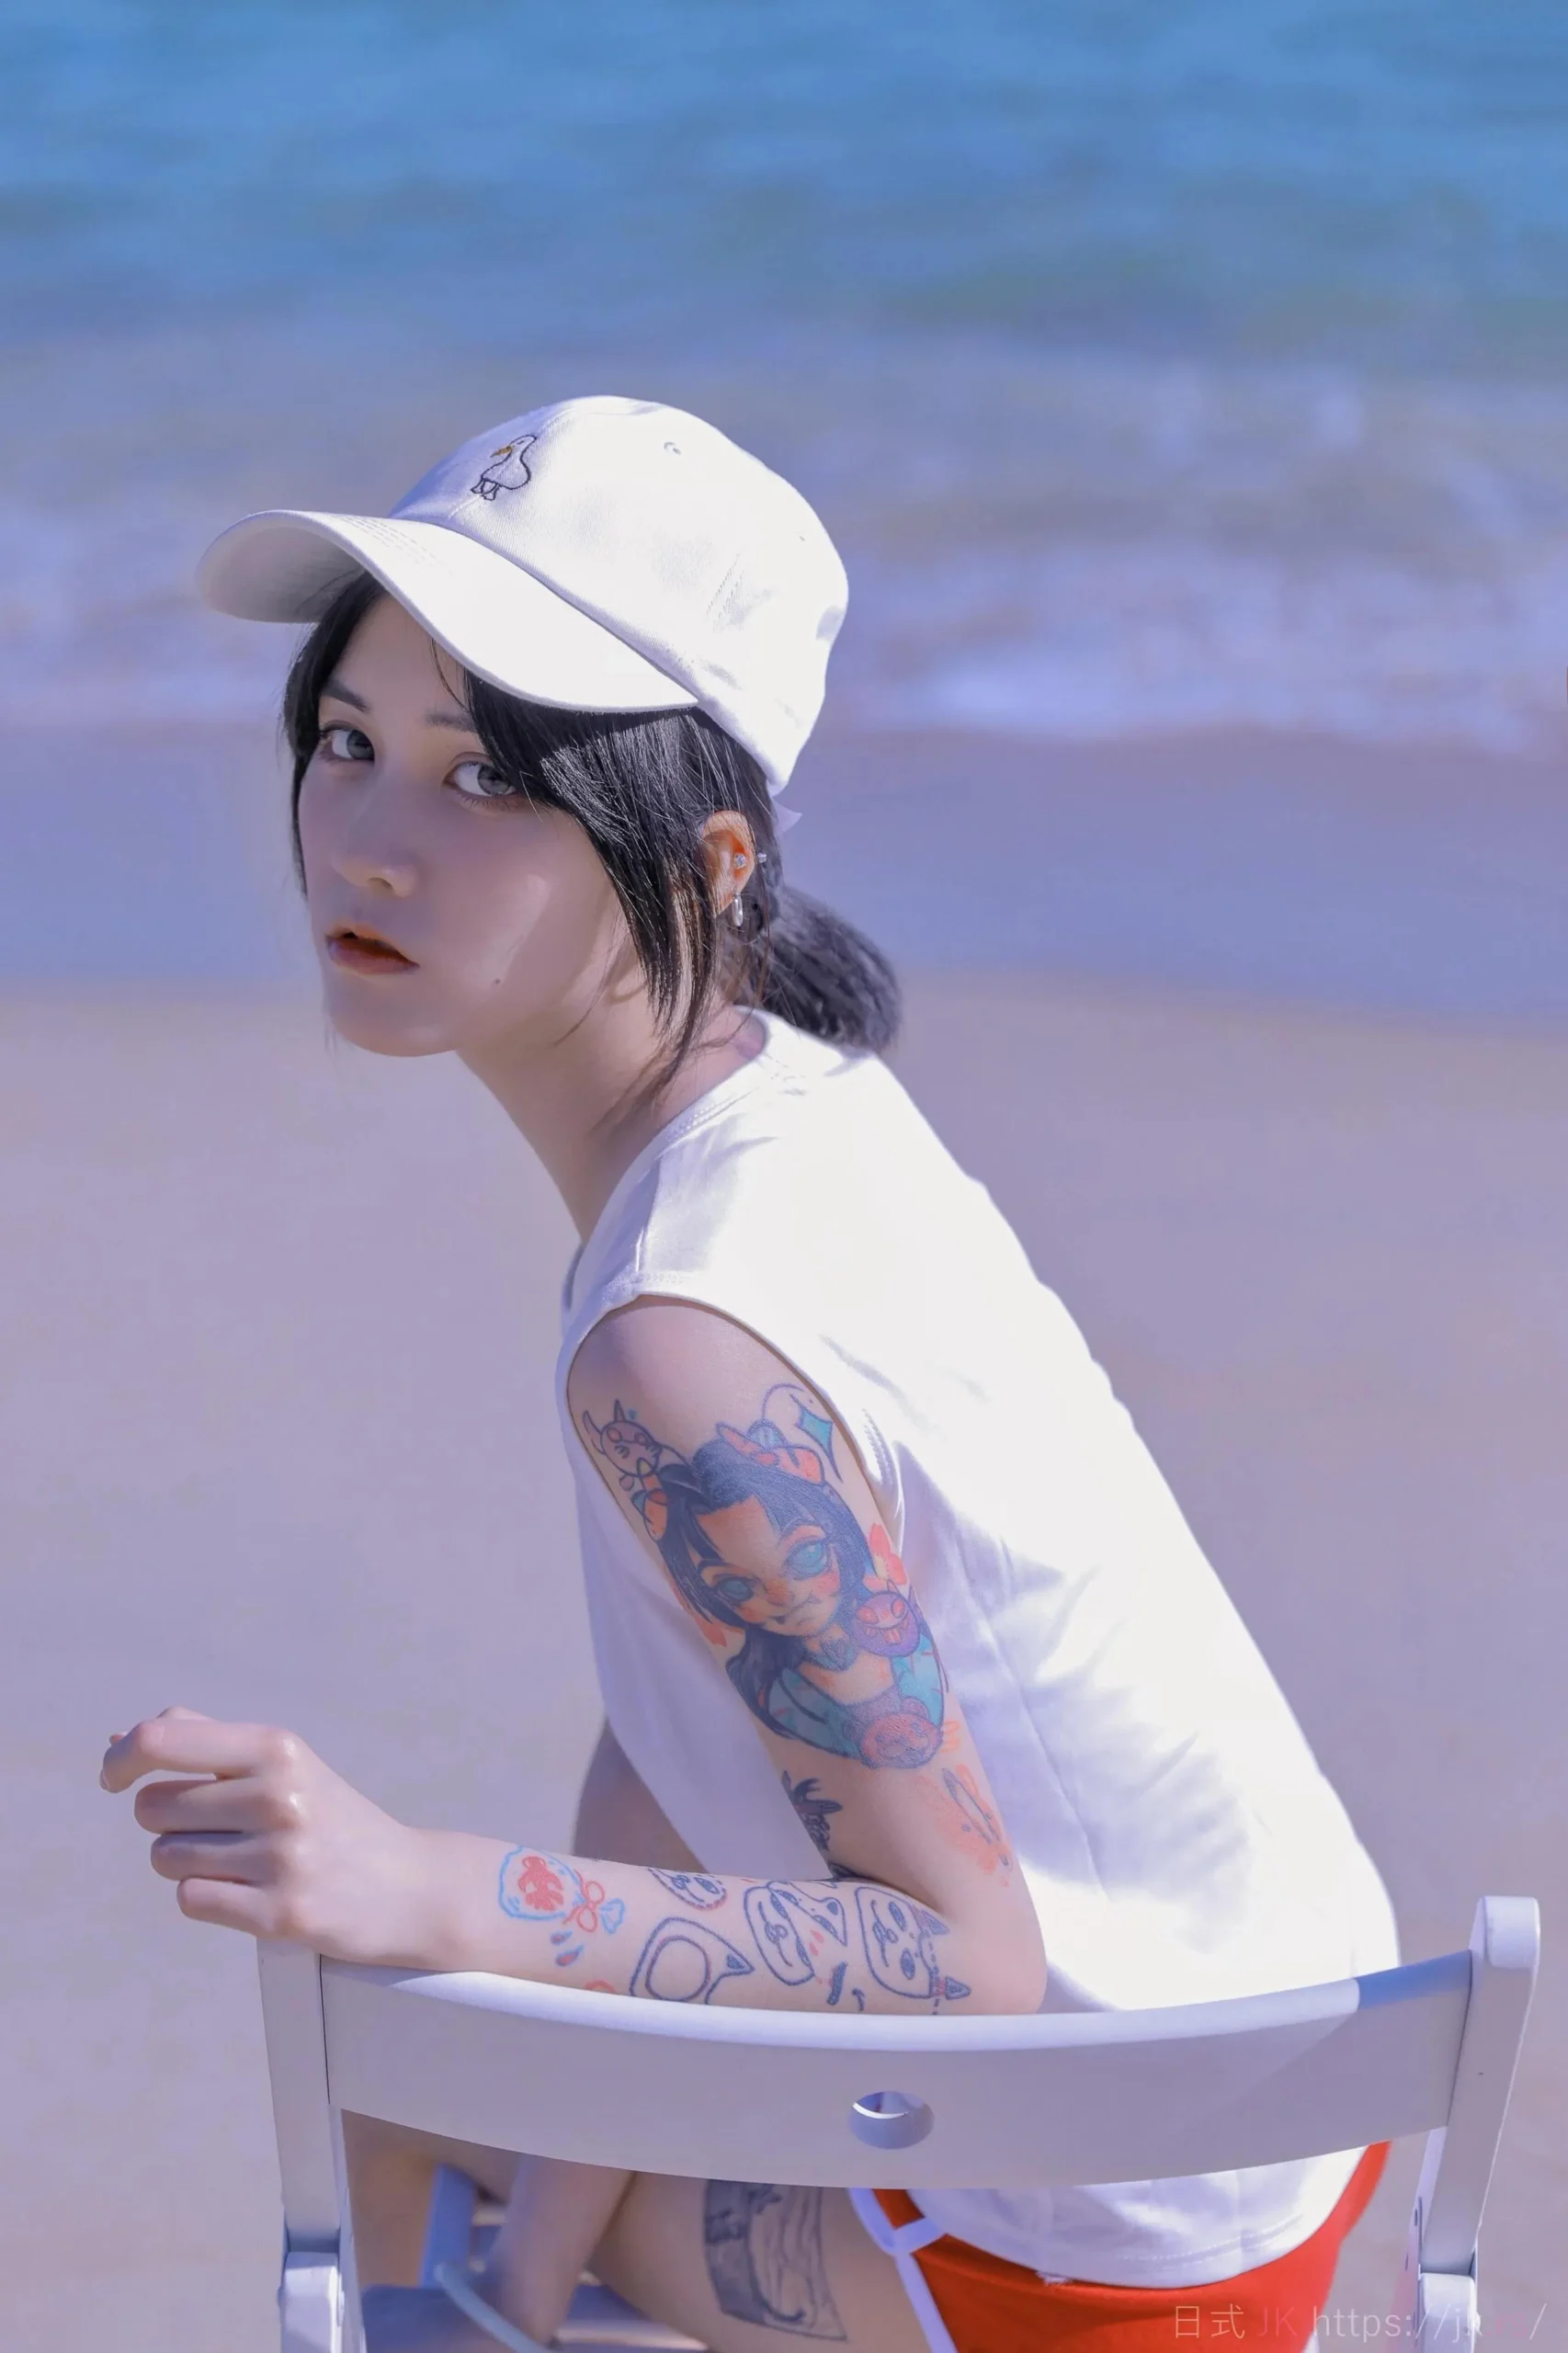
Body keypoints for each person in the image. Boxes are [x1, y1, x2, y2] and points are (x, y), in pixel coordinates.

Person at [101, 395, 1398, 2353]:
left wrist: (425, 1885)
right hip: (1274, 2092)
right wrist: (542, 2239)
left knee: (386, 2074)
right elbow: (710, 1712)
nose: (368, 841)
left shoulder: (680, 1339)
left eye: (484, 776)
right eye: (349, 741)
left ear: (706, 862)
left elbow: (959, 1961)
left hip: (1105, 2254)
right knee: (466, 2095)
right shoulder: (803, 1108)